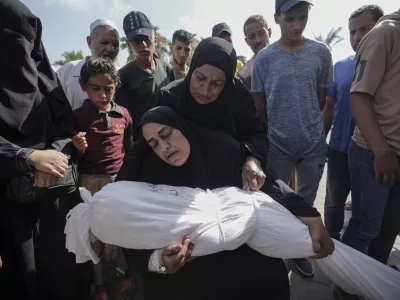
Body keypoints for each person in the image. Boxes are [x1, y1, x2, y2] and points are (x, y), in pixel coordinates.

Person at [119, 106, 332, 300]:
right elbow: (131, 229)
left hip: (239, 253)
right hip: (189, 267)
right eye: (154, 144)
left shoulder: (221, 149)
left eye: (166, 134)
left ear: (182, 127)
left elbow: (268, 185)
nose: (164, 147)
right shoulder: (150, 175)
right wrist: (158, 261)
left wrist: (311, 217)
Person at [0, 0, 79, 299]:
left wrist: (54, 160)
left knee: (60, 277)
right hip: (7, 213)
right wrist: (28, 157)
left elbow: (67, 130)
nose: (19, 47)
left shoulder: (48, 84)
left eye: (26, 39)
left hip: (52, 203)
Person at [251, 0, 333, 278]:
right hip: (278, 146)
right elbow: (259, 104)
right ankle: (273, 256)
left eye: (302, 18)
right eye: (290, 19)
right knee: (276, 203)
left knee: (307, 205)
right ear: (277, 18)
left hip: (312, 147)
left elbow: (322, 98)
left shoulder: (321, 53)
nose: (297, 25)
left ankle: (299, 253)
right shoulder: (265, 58)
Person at [341, 7, 400, 267]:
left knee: (389, 228)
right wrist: (381, 150)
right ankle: (344, 286)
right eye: (353, 31)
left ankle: (372, 280)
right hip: (374, 153)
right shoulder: (385, 33)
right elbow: (359, 97)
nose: (357, 36)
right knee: (365, 228)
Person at [71, 58, 134, 300]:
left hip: (117, 184)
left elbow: (130, 147)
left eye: (108, 88)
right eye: (95, 88)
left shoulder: (123, 114)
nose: (103, 94)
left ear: (116, 86)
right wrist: (77, 147)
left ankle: (120, 275)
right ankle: (99, 285)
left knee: (117, 234)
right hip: (89, 184)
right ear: (83, 87)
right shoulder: (78, 117)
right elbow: (70, 157)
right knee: (94, 237)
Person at [323, 5, 384, 241]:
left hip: (372, 153)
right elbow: (328, 107)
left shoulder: (390, 67)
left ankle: (361, 255)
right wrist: (321, 141)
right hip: (339, 149)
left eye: (365, 29)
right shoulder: (339, 67)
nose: (357, 37)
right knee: (334, 200)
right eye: (353, 32)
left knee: (365, 211)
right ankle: (330, 241)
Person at [115, 11, 175, 140]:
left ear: (155, 39)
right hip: (143, 143)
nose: (143, 45)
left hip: (170, 136)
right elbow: (123, 120)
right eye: (136, 41)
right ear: (129, 44)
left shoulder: (167, 69)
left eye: (146, 39)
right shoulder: (122, 76)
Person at [57, 18, 120, 110]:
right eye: (104, 43)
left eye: (115, 44)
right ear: (89, 41)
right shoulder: (69, 70)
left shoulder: (121, 73)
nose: (110, 49)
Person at [237, 14, 271, 89]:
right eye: (252, 37)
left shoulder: (287, 57)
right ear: (247, 41)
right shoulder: (245, 75)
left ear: (269, 32)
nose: (257, 40)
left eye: (261, 33)